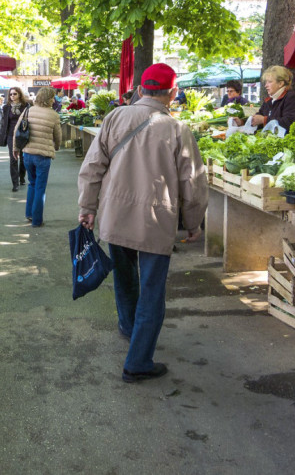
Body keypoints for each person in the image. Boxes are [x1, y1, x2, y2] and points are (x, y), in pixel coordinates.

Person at [77, 63, 208, 383]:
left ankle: (128, 325)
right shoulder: (178, 129)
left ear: (139, 90)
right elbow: (193, 183)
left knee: (124, 277)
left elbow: (92, 166)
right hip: (155, 220)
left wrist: (87, 207)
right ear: (173, 94)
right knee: (152, 290)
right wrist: (193, 223)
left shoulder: (114, 117)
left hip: (115, 215)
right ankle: (138, 362)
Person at [14, 86, 61, 227]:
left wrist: (16, 148)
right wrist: (56, 147)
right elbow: (58, 136)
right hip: (43, 156)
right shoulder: (53, 115)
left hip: (28, 154)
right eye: (52, 97)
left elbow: (17, 130)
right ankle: (37, 220)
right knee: (40, 187)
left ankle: (29, 214)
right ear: (49, 99)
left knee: (32, 184)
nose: (54, 100)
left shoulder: (28, 110)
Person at [234, 65, 295, 133]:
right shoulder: (269, 100)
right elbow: (259, 117)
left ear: (280, 83)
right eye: (266, 82)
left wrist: (264, 120)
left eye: (270, 82)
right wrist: (242, 122)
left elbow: (290, 123)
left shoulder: (292, 98)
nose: (266, 85)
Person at [0, 86, 28, 192]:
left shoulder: (26, 106)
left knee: (23, 159)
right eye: (10, 94)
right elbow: (2, 123)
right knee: (13, 159)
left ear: (19, 94)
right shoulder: (6, 107)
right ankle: (15, 183)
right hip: (10, 135)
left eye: (14, 94)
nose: (12, 96)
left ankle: (22, 177)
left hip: (23, 135)